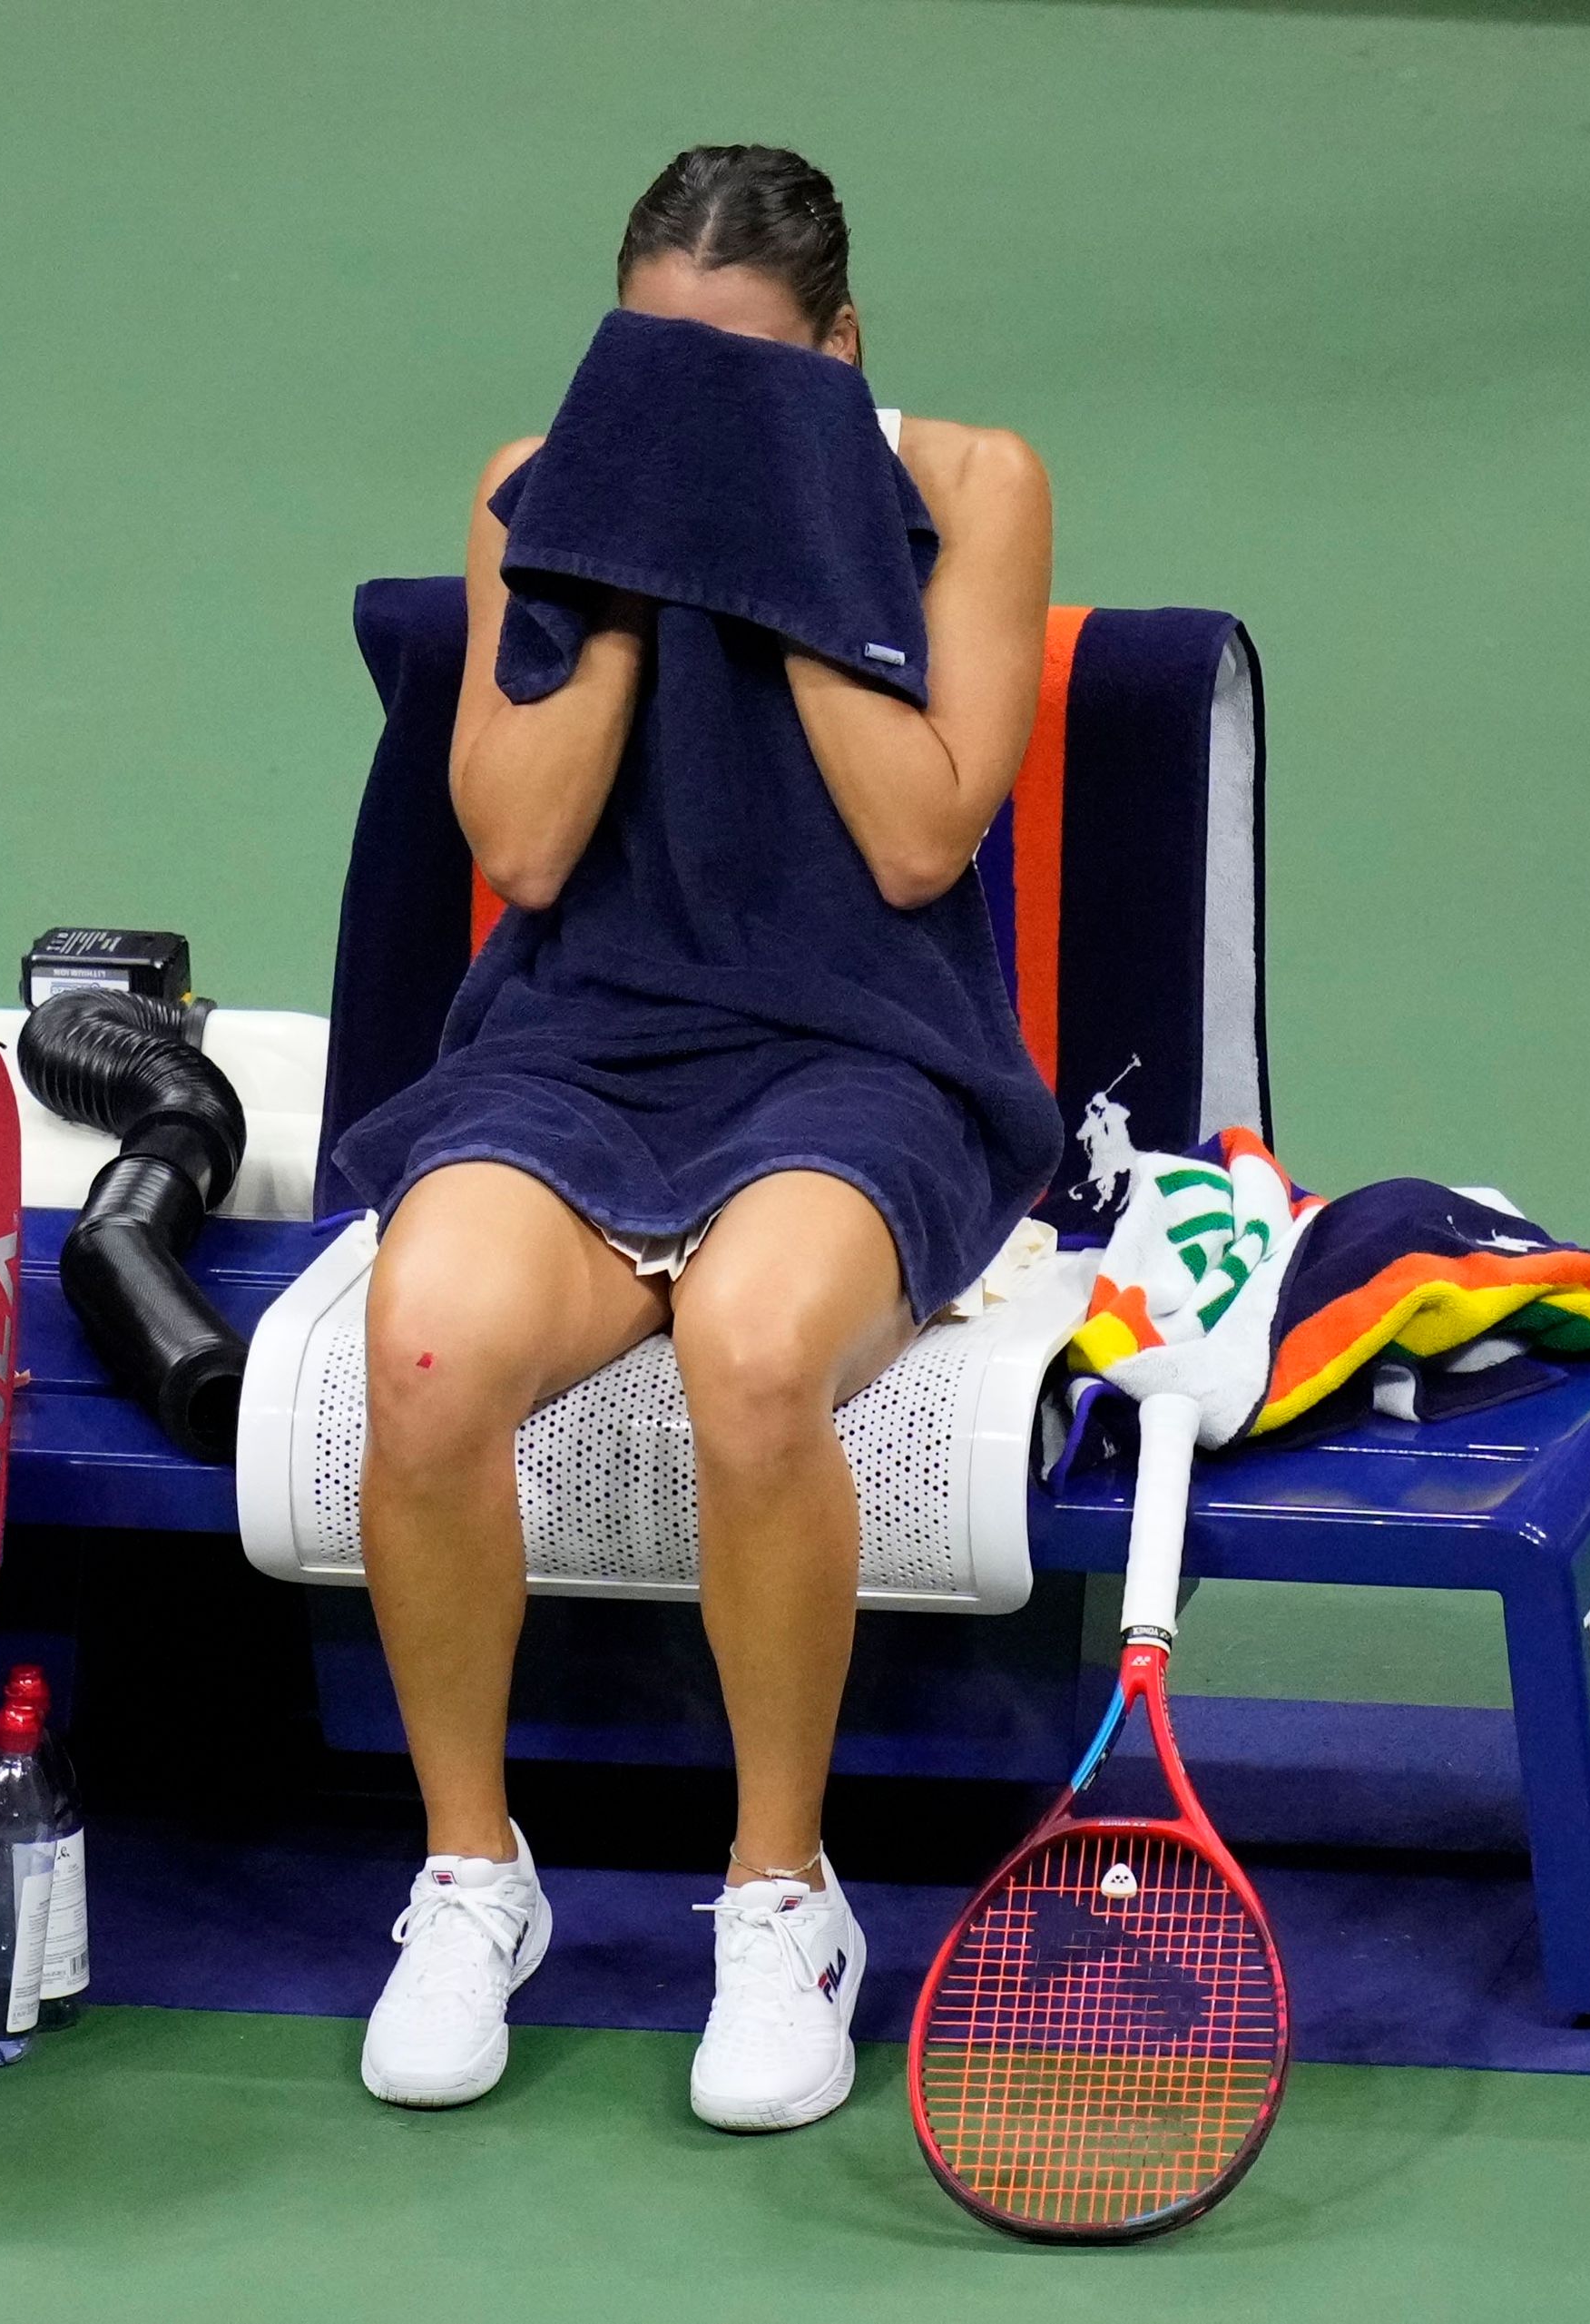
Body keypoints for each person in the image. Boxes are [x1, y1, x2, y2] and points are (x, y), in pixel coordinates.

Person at [333, 145, 1063, 2129]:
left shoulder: (974, 489)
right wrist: (638, 547)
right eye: (658, 372)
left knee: (751, 1355)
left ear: (839, 354)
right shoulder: (531, 498)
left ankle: (781, 1897)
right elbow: (525, 841)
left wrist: (783, 541)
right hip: (579, 1055)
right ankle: (473, 1874)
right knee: (423, 1345)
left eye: (745, 377)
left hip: (869, 1063)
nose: (699, 411)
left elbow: (923, 833)